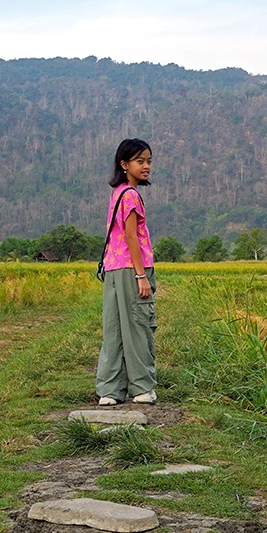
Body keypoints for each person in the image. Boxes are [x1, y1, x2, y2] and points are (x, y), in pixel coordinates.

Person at [97, 138, 157, 406]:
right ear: (124, 164)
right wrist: (141, 275)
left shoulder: (118, 193)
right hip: (132, 268)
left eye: (148, 161)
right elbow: (132, 237)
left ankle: (110, 391)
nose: (146, 166)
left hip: (113, 268)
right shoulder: (131, 195)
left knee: (115, 331)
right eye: (140, 161)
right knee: (138, 327)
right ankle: (142, 388)